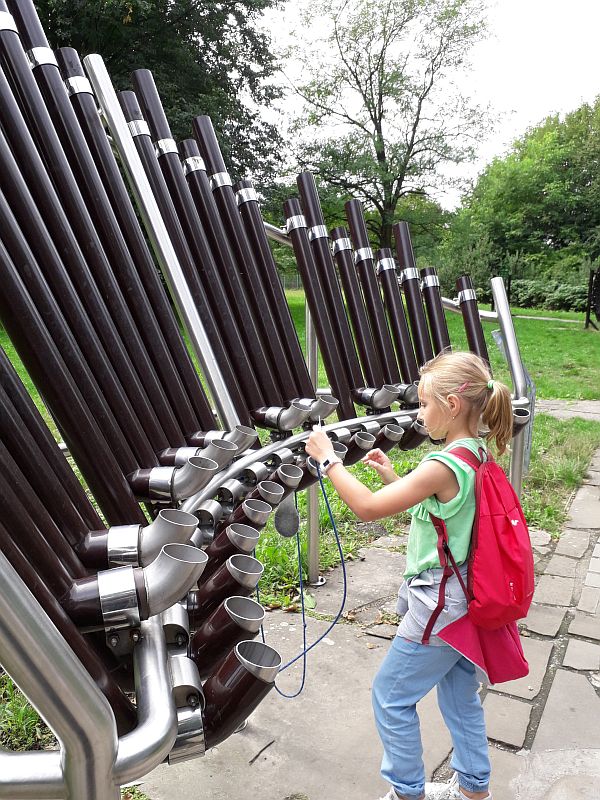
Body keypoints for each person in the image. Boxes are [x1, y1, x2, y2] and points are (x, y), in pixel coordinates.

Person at [305, 351, 516, 800]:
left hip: (439, 607)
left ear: (452, 405)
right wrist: (392, 476)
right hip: (468, 600)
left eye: (424, 404)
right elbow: (444, 512)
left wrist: (328, 460)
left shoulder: (441, 465)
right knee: (459, 694)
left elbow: (365, 510)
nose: (419, 414)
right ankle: (475, 789)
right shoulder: (473, 453)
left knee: (390, 696)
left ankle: (406, 792)